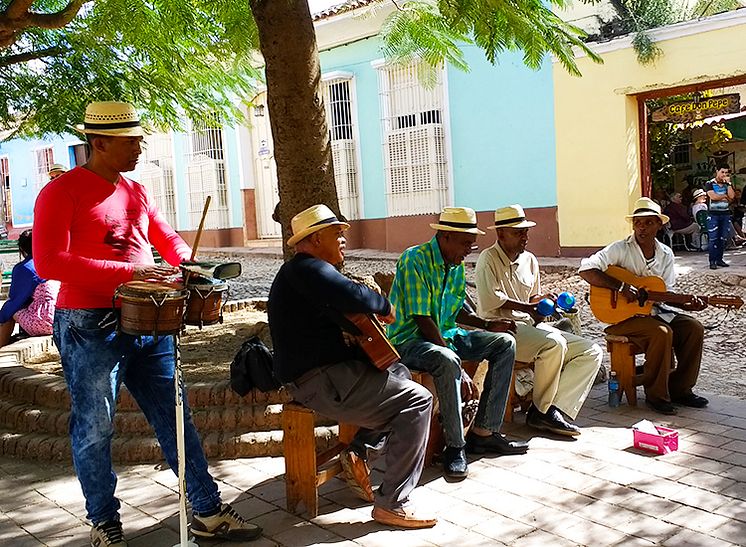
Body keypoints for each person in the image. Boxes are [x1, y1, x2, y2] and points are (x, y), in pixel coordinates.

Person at [32, 101, 261, 546]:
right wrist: (131, 273)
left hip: (149, 318)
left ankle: (209, 512)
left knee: (176, 417)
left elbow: (165, 237)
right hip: (88, 324)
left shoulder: (136, 191)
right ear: (99, 143)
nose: (140, 148)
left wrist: (190, 264)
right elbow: (48, 261)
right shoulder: (61, 192)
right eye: (131, 142)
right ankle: (104, 524)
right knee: (95, 427)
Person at [267, 204, 436, 529]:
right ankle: (393, 503)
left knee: (399, 372)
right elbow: (354, 294)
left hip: (323, 377)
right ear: (315, 240)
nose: (344, 239)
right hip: (322, 382)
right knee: (419, 401)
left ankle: (363, 452)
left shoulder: (305, 275)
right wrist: (385, 305)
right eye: (336, 233)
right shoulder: (306, 269)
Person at [387, 207, 528, 480]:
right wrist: (460, 368)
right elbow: (423, 319)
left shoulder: (456, 263)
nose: (469, 249)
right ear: (446, 236)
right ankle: (455, 447)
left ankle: (485, 432)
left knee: (504, 343)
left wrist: (487, 325)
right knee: (447, 359)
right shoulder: (414, 259)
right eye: (465, 243)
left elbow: (455, 309)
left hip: (445, 334)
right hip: (410, 341)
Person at [475, 205, 602, 436]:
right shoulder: (488, 258)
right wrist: (528, 307)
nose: (525, 237)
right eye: (518, 232)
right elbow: (492, 300)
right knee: (554, 344)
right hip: (501, 329)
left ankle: (552, 408)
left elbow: (532, 296)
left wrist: (543, 301)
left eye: (525, 231)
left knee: (591, 351)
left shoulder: (530, 260)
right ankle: (541, 412)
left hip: (529, 326)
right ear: (500, 234)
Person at [578, 197, 708, 415]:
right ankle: (656, 396)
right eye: (638, 223)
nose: (642, 228)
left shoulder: (666, 253)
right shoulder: (619, 249)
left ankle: (680, 389)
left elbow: (665, 294)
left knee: (694, 328)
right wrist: (620, 287)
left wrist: (687, 305)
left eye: (648, 222)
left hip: (654, 312)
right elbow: (586, 270)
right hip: (622, 319)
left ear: (659, 224)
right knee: (661, 332)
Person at [0, 230, 59, 348]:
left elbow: (15, 301)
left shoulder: (25, 268)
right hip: (59, 320)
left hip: (43, 321)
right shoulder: (51, 261)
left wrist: (1, 317)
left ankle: (1, 344)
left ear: (22, 249)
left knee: (10, 310)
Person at [705, 165, 735, 269]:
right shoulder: (709, 183)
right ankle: (712, 261)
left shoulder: (727, 185)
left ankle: (719, 259)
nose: (724, 175)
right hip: (713, 215)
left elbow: (732, 196)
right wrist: (724, 196)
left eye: (726, 173)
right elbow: (713, 196)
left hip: (725, 214)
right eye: (722, 172)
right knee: (713, 238)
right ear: (717, 171)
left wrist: (729, 184)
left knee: (722, 238)